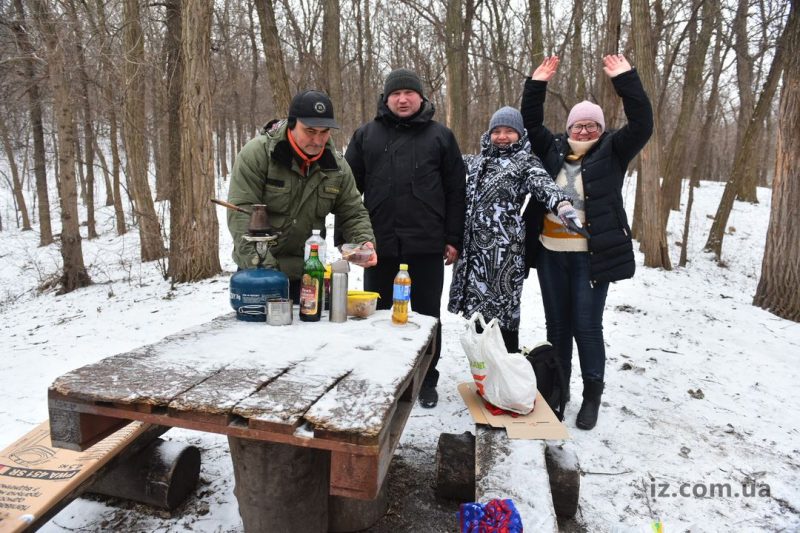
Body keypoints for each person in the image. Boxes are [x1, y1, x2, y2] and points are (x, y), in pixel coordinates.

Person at [520, 54, 653, 430]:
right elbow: (529, 122)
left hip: (591, 259)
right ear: (568, 128)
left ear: (601, 129)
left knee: (586, 326)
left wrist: (625, 79)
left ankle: (592, 395)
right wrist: (537, 84)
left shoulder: (614, 150)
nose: (584, 131)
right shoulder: (551, 149)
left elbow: (643, 122)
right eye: (578, 125)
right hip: (550, 254)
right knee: (557, 327)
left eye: (592, 125)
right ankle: (558, 392)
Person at [342, 68, 466, 408]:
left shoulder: (441, 137)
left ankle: (427, 378)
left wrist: (454, 237)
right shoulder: (367, 135)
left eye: (409, 92)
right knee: (379, 312)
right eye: (396, 93)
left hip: (427, 245)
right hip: (378, 246)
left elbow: (457, 191)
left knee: (426, 316)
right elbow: (348, 192)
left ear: (421, 98)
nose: (403, 98)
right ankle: (385, 375)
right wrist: (351, 241)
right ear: (386, 99)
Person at [227, 90, 377, 301]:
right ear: (292, 124)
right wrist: (264, 269)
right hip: (258, 272)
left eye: (324, 132)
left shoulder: (337, 167)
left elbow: (353, 211)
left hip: (309, 273)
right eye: (309, 131)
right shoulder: (258, 154)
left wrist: (364, 242)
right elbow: (240, 214)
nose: (317, 140)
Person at [447, 106, 574, 354]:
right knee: (477, 323)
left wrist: (561, 203)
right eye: (497, 131)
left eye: (509, 131)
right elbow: (443, 166)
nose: (502, 136)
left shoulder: (525, 161)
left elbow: (542, 182)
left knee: (503, 322)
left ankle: (508, 378)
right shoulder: (475, 161)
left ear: (520, 134)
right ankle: (484, 378)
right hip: (473, 256)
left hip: (504, 256)